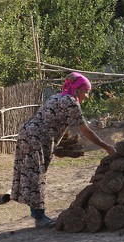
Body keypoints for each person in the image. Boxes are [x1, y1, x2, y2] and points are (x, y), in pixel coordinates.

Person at [10, 72, 116, 228]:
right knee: (36, 175)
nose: (87, 96)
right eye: (85, 91)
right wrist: (106, 147)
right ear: (77, 89)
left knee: (32, 173)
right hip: (36, 139)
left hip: (27, 134)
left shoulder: (57, 97)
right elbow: (85, 131)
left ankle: (38, 214)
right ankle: (39, 218)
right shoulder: (71, 102)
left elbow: (50, 122)